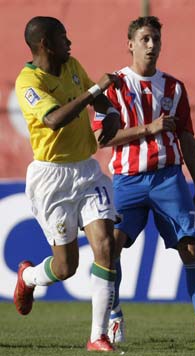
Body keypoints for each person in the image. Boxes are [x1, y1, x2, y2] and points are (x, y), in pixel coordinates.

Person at [92, 16, 195, 345]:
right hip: (127, 180)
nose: (151, 45)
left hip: (168, 179)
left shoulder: (174, 88)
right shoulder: (113, 85)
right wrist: (147, 129)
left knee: (191, 248)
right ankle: (114, 316)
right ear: (130, 44)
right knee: (111, 247)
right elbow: (101, 139)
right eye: (145, 39)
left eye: (156, 40)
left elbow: (188, 140)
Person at [14, 16, 122, 351]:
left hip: (88, 172)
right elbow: (54, 119)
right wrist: (96, 91)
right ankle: (29, 278)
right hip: (52, 178)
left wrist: (112, 116)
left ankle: (98, 336)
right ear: (45, 44)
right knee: (66, 267)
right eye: (63, 37)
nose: (70, 42)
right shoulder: (28, 81)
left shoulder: (72, 65)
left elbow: (100, 103)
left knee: (105, 245)